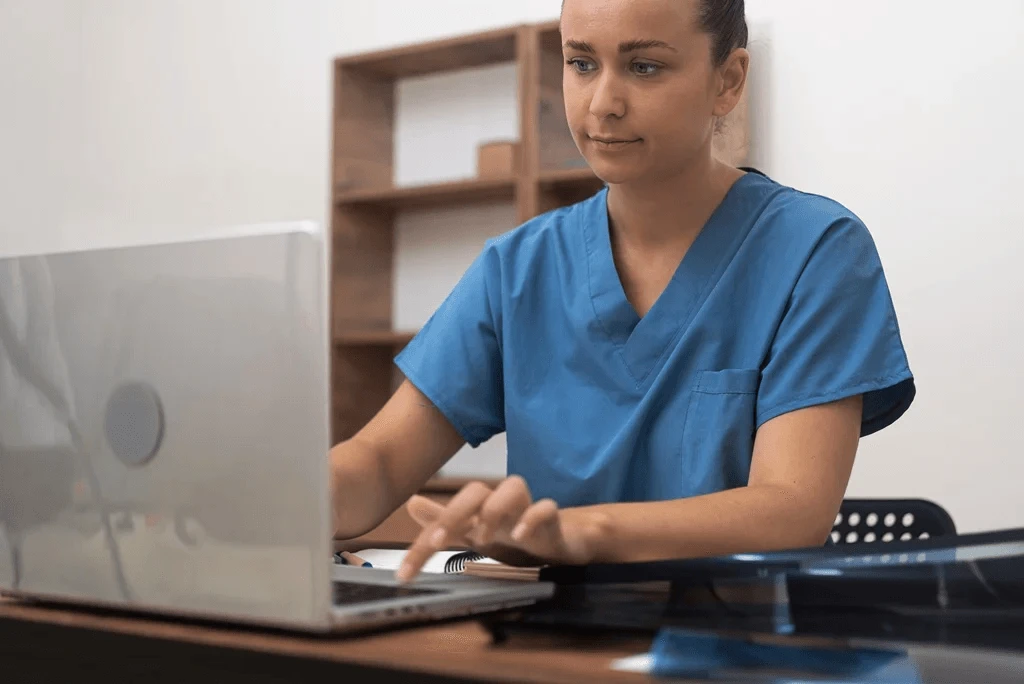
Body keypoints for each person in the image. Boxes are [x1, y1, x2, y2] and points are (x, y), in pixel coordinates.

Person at [329, 0, 916, 583]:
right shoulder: (516, 268)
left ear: (728, 81)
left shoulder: (816, 249)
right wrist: (280, 499)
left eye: (645, 67)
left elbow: (792, 509)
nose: (603, 104)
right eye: (581, 64)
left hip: (733, 651)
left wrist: (587, 532)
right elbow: (378, 463)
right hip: (541, 649)